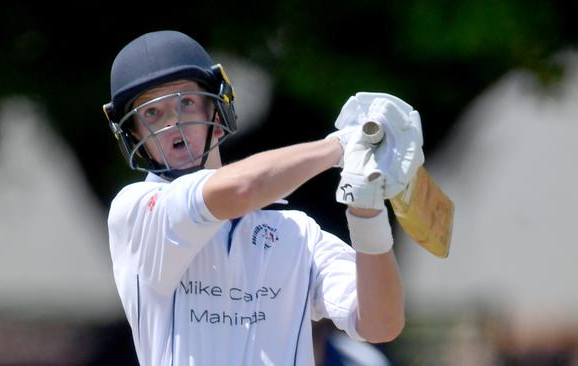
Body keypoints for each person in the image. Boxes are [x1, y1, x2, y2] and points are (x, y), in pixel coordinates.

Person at [103, 30, 420, 366]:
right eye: (152, 114)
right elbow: (240, 190)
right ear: (133, 132)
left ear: (217, 109)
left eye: (186, 102)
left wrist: (366, 209)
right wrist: (340, 147)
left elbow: (381, 324)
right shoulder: (138, 210)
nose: (174, 126)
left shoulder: (295, 231)